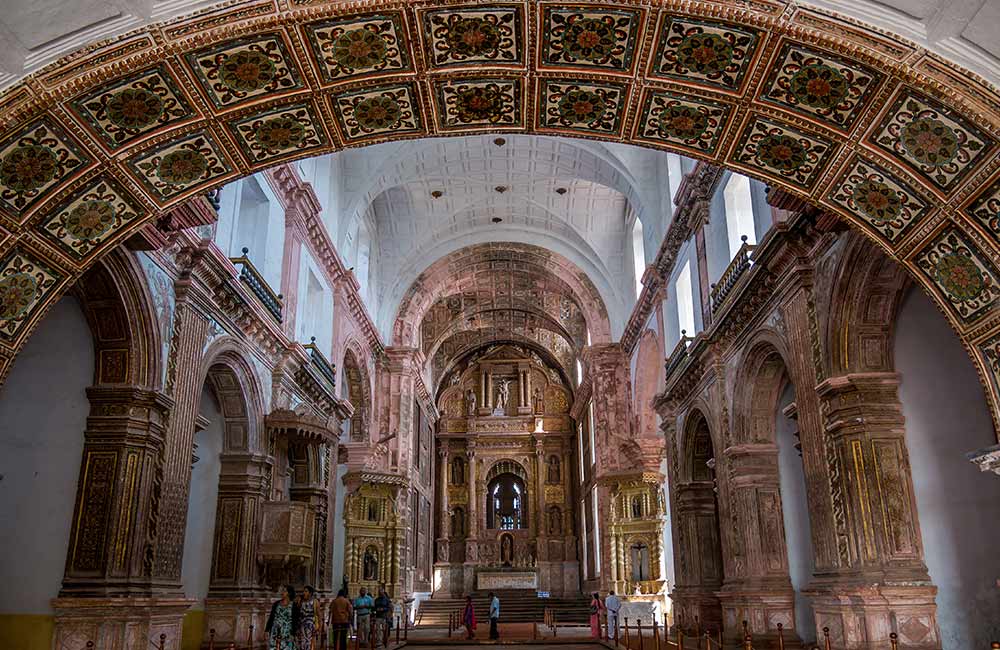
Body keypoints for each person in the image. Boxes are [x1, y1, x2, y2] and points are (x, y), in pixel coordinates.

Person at [265, 585, 300, 650]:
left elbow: (295, 621)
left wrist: (293, 633)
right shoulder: (276, 603)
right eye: (282, 590)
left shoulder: (294, 605)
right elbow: (271, 617)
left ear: (289, 593)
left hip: (287, 632)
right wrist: (267, 630)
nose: (282, 592)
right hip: (275, 631)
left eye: (284, 591)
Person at [298, 586, 319, 650]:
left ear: (310, 593)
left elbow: (319, 615)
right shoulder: (301, 601)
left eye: (306, 591)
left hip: (310, 625)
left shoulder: (315, 602)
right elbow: (298, 613)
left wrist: (319, 626)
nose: (304, 593)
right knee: (302, 643)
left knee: (309, 642)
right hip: (302, 625)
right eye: (303, 591)